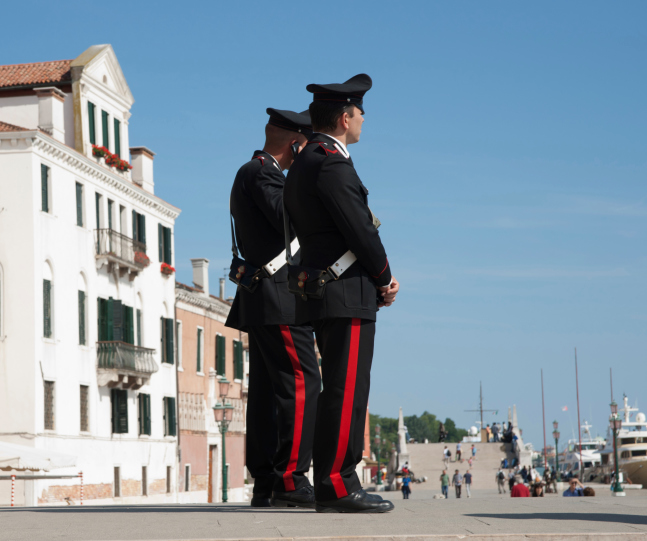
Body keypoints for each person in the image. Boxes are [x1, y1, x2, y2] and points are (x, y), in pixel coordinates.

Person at [284, 74, 398, 514]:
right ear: (346, 116)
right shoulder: (331, 162)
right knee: (346, 389)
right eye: (361, 112)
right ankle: (336, 483)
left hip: (325, 287)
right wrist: (384, 277)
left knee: (339, 387)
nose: (364, 119)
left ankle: (337, 480)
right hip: (345, 289)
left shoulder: (306, 160)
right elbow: (360, 231)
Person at [226, 108, 321, 509]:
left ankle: (267, 480)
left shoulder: (257, 171)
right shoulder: (263, 173)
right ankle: (290, 478)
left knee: (267, 391)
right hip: (277, 296)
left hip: (267, 296)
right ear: (296, 144)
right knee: (302, 382)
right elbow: (289, 219)